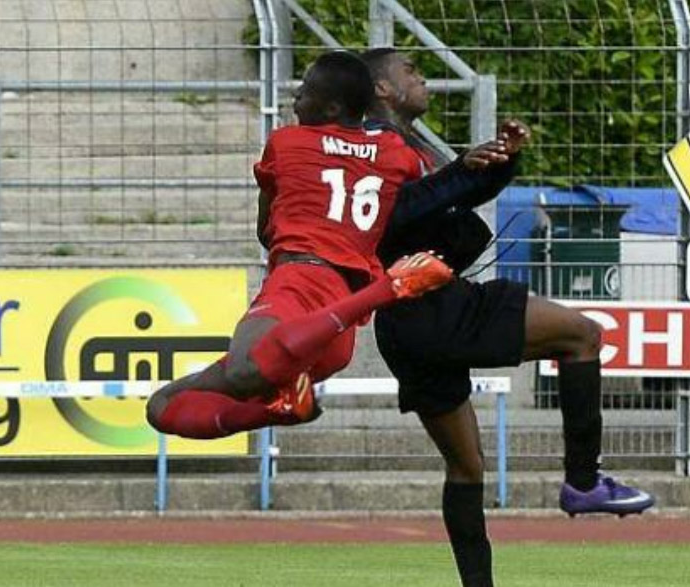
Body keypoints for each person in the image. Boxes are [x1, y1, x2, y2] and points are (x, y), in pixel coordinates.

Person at [362, 48, 656, 587]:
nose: (421, 76)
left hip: (406, 326)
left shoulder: (406, 144)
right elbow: (396, 212)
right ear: (382, 89)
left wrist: (499, 163)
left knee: (467, 468)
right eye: (409, 70)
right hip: (436, 308)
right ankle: (584, 482)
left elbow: (441, 198)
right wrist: (460, 170)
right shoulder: (375, 145)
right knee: (583, 335)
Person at [145, 51, 460, 440]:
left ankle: (387, 289)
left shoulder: (287, 142)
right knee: (162, 405)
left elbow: (266, 230)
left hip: (300, 281)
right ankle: (281, 410)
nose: (296, 96)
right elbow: (421, 191)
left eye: (305, 91)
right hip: (338, 320)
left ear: (330, 106)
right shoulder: (398, 155)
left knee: (240, 372)